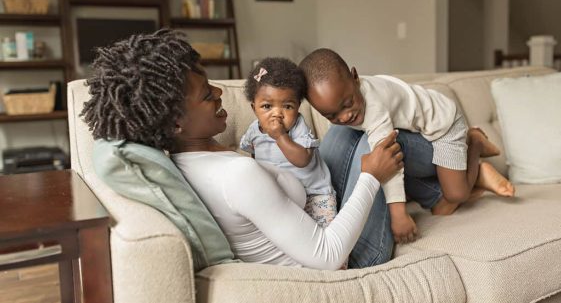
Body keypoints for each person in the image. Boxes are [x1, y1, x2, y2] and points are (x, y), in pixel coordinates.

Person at [81, 29, 442, 270]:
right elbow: (328, 256)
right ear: (175, 124)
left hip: (323, 218)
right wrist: (369, 177)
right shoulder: (236, 175)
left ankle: (441, 177)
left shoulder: (190, 155)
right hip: (351, 258)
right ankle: (453, 150)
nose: (221, 94)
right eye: (208, 95)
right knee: (376, 140)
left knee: (345, 134)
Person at [299, 48, 516, 244]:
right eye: (331, 115)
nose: (345, 116)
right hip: (417, 132)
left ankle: (474, 143)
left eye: (348, 104)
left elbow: (390, 163)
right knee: (442, 209)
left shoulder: (374, 107)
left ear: (355, 77)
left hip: (445, 125)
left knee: (457, 194)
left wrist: (399, 215)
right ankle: (473, 176)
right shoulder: (343, 100)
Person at [240, 57, 337, 229]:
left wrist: (280, 137)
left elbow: (302, 160)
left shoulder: (298, 126)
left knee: (325, 239)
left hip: (314, 196)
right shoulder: (254, 132)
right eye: (267, 106)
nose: (277, 113)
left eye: (287, 106)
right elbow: (255, 161)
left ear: (298, 107)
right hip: (283, 199)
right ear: (254, 108)